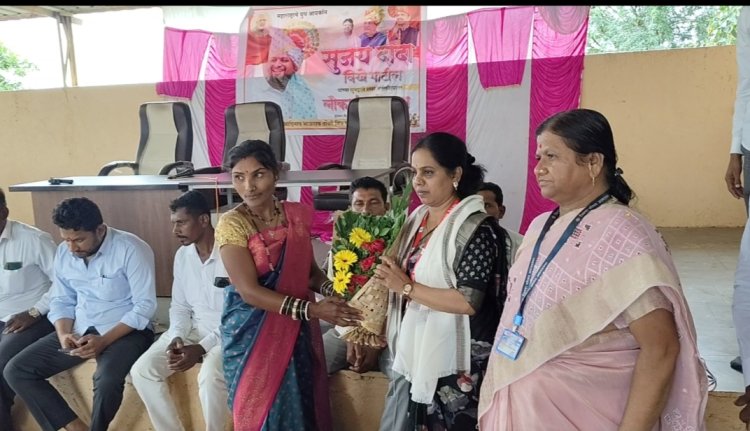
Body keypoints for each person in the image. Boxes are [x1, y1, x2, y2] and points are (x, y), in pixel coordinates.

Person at [478, 109, 708, 430]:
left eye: (551, 156)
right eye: (539, 157)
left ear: (593, 163)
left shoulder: (621, 232)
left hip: (592, 413)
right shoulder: (540, 226)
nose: (539, 168)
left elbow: (661, 346)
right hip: (525, 407)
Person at [215, 139, 362, 430]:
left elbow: (309, 274)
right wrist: (315, 311)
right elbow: (249, 291)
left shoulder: (295, 216)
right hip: (250, 334)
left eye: (258, 174)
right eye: (239, 177)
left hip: (294, 332)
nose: (248, 186)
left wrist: (341, 293)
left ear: (275, 174)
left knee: (297, 406)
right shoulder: (232, 224)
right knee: (263, 414)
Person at [373, 132, 510, 430]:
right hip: (421, 344)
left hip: (461, 356)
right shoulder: (418, 219)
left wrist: (406, 287)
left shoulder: (475, 227)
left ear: (455, 174)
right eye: (415, 172)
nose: (418, 181)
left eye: (428, 172)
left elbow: (467, 301)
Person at [4, 197, 156, 431]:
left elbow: (144, 306)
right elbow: (61, 300)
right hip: (80, 327)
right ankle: (75, 427)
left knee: (106, 381)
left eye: (79, 240)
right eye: (66, 240)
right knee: (17, 370)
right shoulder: (65, 253)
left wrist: (104, 341)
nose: (72, 248)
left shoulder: (131, 248)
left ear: (100, 230)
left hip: (125, 330)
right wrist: (64, 334)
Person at [130, 190, 228, 431]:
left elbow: (239, 315)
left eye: (181, 222)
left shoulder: (230, 253)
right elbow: (180, 307)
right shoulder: (183, 256)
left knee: (209, 377)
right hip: (194, 328)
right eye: (173, 223)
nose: (175, 230)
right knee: (142, 371)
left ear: (203, 220)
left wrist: (202, 347)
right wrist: (176, 336)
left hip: (228, 334)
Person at [0, 187, 57, 430]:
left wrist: (35, 311)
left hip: (33, 317)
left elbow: (66, 283)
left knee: (1, 360)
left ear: (4, 212)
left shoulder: (34, 240)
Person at [322, 176, 390, 375]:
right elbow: (335, 291)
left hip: (388, 334)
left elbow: (400, 301)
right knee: (308, 365)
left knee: (401, 375)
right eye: (359, 203)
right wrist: (353, 336)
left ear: (386, 207)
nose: (366, 210)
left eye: (373, 202)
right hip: (345, 330)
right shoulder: (342, 244)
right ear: (350, 208)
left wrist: (374, 342)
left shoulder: (399, 242)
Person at [260, 27, 317, 120]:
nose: (277, 65)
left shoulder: (304, 93)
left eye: (284, 60)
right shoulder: (258, 91)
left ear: (294, 66)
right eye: (273, 60)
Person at [478, 181, 524, 264]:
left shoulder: (521, 244)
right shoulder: (457, 241)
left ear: (501, 211)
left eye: (487, 205)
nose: (480, 211)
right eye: (474, 206)